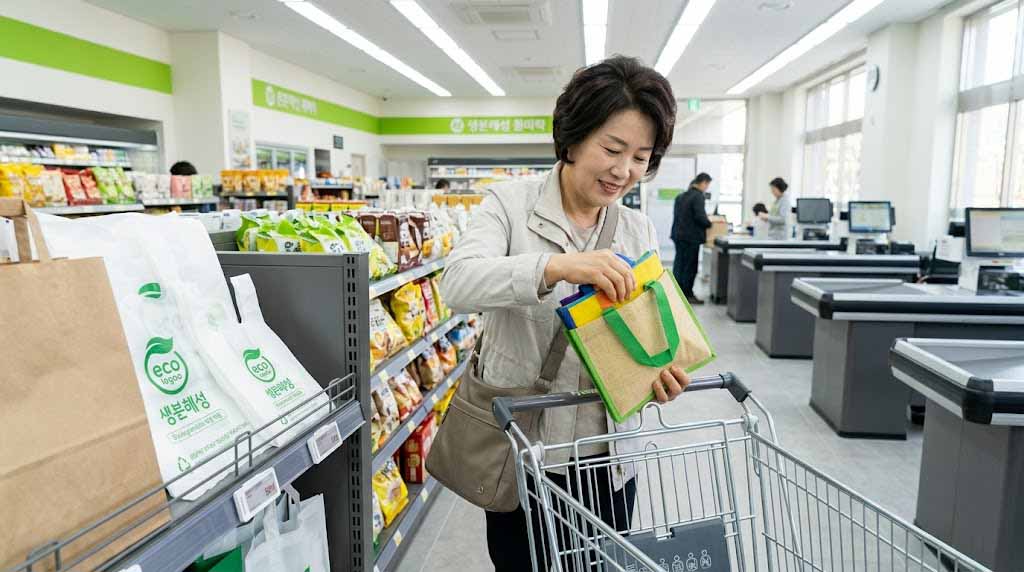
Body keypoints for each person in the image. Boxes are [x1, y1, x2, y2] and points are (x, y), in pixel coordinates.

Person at [439, 55, 692, 572]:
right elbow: (457, 284)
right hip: (527, 454)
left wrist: (657, 376)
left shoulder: (637, 230)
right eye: (613, 149)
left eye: (642, 157)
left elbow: (646, 327)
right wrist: (554, 266)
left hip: (608, 455)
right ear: (573, 139)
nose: (625, 171)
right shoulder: (509, 206)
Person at [670, 172, 712, 305]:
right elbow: (700, 217)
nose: (707, 188)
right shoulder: (698, 196)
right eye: (707, 185)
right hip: (691, 237)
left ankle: (676, 293)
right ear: (703, 182)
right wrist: (710, 223)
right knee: (690, 266)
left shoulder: (681, 196)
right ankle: (687, 294)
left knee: (679, 265)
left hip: (678, 235)